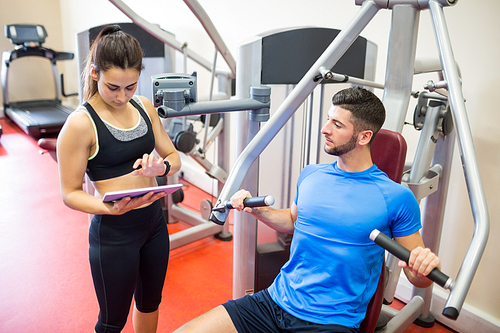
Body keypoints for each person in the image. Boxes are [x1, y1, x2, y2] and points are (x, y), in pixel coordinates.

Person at [173, 86, 441, 333]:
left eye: (337, 124)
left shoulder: (395, 197)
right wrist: (255, 209)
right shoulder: (311, 175)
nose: (325, 129)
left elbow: (417, 276)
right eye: (328, 120)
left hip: (331, 321)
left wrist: (420, 270)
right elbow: (292, 220)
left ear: (364, 136)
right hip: (274, 301)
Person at [57, 25, 181, 333]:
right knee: (112, 322)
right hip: (114, 234)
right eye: (113, 87)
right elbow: (70, 193)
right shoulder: (80, 125)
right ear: (96, 72)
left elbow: (174, 158)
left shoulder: (145, 107)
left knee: (150, 302)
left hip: (153, 224)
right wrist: (107, 208)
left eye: (130, 87)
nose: (122, 96)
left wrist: (160, 169)